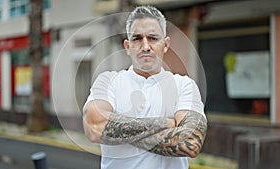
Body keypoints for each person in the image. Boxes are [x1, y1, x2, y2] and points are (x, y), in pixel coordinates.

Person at [82, 5, 207, 169]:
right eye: (137, 38)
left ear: (166, 44)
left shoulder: (184, 85)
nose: (146, 46)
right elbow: (95, 127)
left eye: (153, 38)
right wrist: (167, 124)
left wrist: (118, 128)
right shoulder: (108, 82)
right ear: (127, 46)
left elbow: (190, 142)